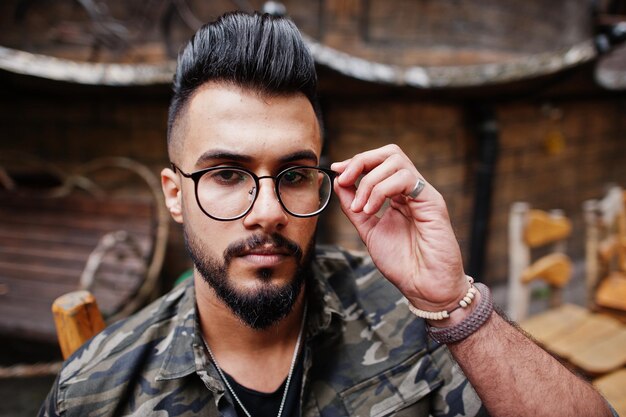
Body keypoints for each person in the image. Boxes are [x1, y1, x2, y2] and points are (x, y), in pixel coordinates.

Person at [40, 11, 616, 417]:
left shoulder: (410, 319)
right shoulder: (96, 391)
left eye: (292, 176)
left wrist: (451, 303)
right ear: (174, 193)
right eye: (226, 174)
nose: (267, 212)